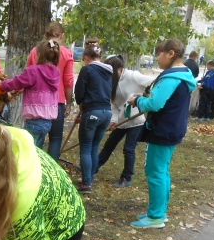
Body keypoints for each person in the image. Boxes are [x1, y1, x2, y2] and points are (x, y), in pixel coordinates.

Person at [126, 38, 196, 229]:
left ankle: (156, 216)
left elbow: (155, 104)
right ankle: (159, 212)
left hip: (163, 130)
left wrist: (138, 101)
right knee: (161, 171)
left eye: (159, 53)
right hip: (173, 128)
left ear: (171, 53)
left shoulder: (170, 78)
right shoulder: (184, 74)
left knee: (155, 172)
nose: (157, 57)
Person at [96, 55, 155, 188]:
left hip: (136, 120)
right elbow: (115, 105)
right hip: (122, 121)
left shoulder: (133, 76)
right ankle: (93, 168)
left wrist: (146, 96)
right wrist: (113, 120)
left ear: (120, 68)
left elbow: (154, 82)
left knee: (128, 149)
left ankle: (126, 178)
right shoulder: (112, 82)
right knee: (109, 145)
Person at [0, 40, 60, 148]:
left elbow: (17, 82)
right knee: (37, 152)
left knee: (27, 150)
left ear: (39, 55)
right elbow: (39, 86)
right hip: (47, 122)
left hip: (34, 122)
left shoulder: (34, 71)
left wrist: (1, 86)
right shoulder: (56, 72)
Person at [26, 22, 74, 160]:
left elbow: (28, 74)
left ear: (45, 35)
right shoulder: (66, 54)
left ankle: (34, 167)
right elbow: (68, 81)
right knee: (55, 138)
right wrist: (68, 103)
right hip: (57, 102)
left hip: (37, 103)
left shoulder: (35, 51)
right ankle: (52, 170)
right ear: (62, 36)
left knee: (35, 139)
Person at [73, 44, 113, 194]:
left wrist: (81, 103)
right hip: (106, 112)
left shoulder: (87, 69)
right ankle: (90, 177)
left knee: (85, 147)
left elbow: (79, 91)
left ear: (87, 58)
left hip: (92, 112)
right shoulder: (109, 72)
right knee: (94, 147)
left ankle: (86, 183)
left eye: (84, 59)